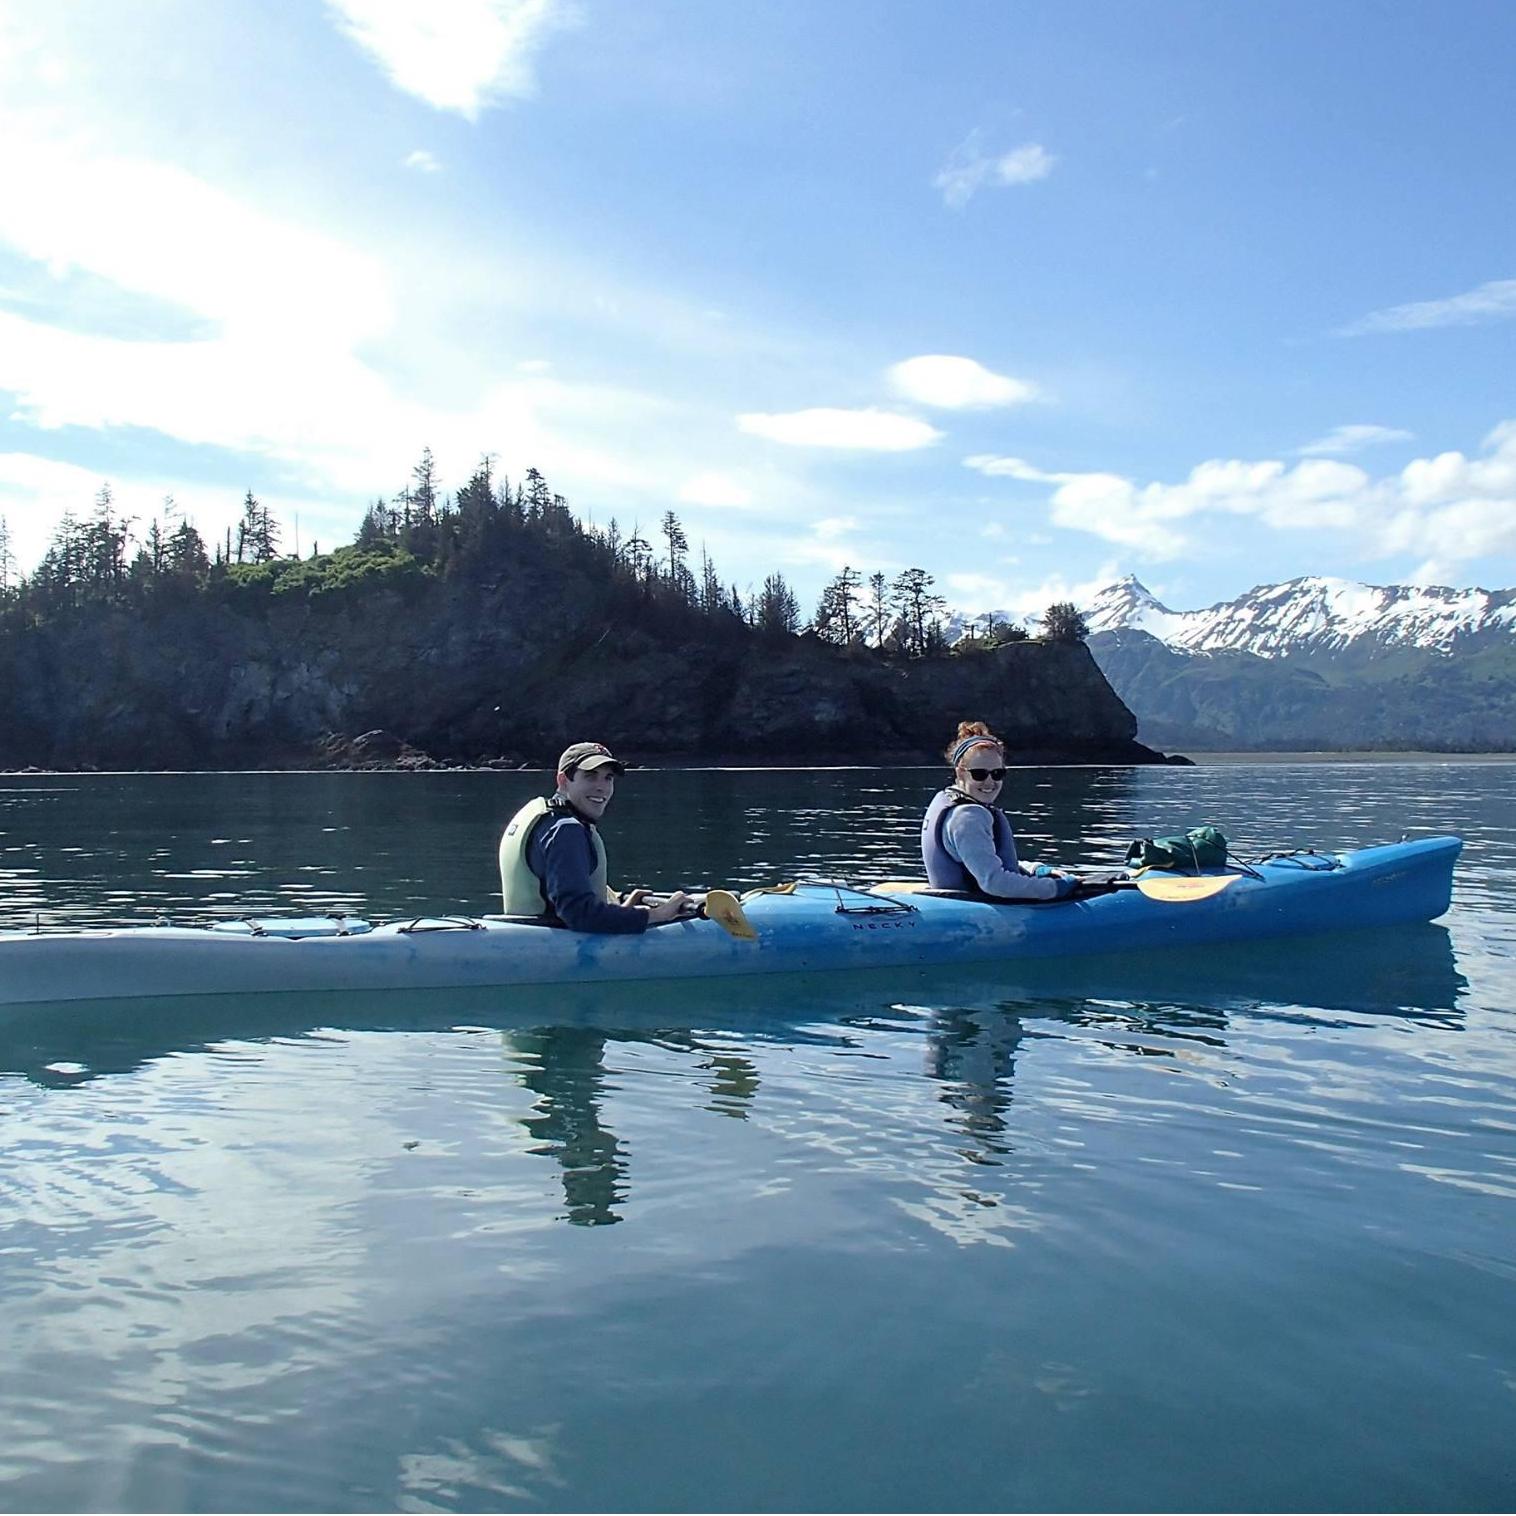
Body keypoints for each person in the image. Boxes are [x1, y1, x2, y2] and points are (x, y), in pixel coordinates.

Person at [499, 742, 691, 932]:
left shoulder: (544, 818)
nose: (602, 788)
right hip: (556, 950)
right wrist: (659, 914)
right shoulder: (566, 831)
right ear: (563, 780)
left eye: (608, 778)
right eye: (590, 776)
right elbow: (580, 915)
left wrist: (621, 911)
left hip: (532, 940)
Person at [921, 721, 1078, 901]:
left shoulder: (949, 799)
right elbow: (994, 882)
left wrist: (1035, 870)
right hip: (974, 907)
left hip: (955, 900)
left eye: (997, 773)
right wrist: (1054, 888)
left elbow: (986, 861)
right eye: (979, 774)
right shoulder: (968, 817)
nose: (989, 782)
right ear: (960, 773)